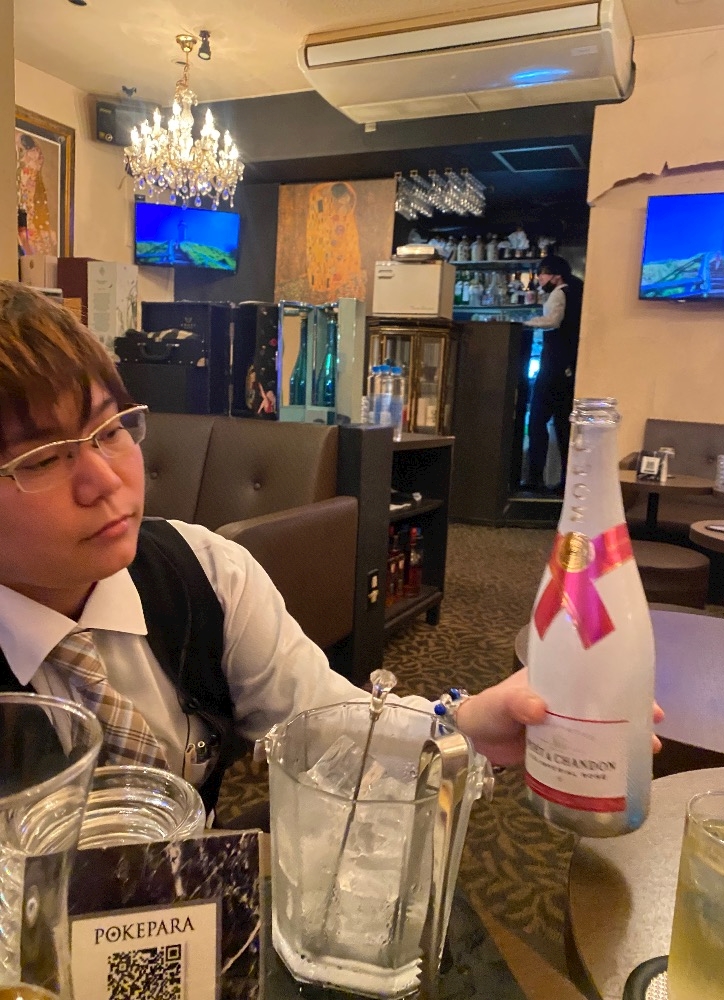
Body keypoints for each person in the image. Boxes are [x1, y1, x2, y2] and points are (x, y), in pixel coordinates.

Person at [0, 281, 563, 820]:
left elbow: (324, 722)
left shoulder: (204, 570)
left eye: (110, 431)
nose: (104, 480)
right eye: (42, 460)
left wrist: (467, 724)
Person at [521, 254, 584, 494]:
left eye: (543, 274)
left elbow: (553, 321)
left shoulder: (559, 293)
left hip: (552, 366)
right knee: (563, 426)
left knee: (537, 420)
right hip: (567, 367)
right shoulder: (576, 292)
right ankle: (566, 482)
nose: (539, 278)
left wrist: (526, 324)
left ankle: (534, 478)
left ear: (556, 275)